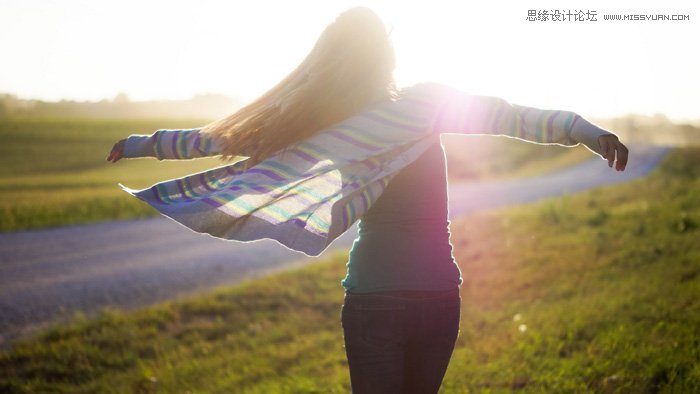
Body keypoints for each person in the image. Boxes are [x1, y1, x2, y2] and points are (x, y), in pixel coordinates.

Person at [108, 7, 628, 393]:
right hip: (435, 297)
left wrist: (145, 145)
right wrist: (585, 131)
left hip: (387, 300)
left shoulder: (322, 119)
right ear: (388, 56)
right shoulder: (421, 105)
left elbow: (221, 139)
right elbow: (511, 115)